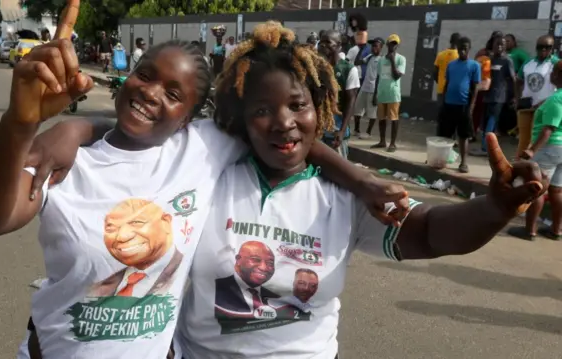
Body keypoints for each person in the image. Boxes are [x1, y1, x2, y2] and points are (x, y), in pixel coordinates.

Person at [0, 13, 411, 359]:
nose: (152, 93)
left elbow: (289, 136)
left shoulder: (202, 148)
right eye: (145, 74)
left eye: (175, 94)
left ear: (192, 116)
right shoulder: (72, 161)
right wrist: (23, 125)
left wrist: (361, 179)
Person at [172, 22, 547, 359]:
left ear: (318, 108)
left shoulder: (346, 194)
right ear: (242, 119)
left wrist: (494, 208)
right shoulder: (211, 177)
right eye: (262, 110)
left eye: (297, 105)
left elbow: (431, 232)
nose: (283, 122)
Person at [509, 61, 562, 241]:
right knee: (557, 190)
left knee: (537, 188)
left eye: (554, 72)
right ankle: (556, 230)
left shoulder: (556, 100)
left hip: (549, 149)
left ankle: (529, 230)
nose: (551, 75)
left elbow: (548, 129)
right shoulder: (556, 97)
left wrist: (532, 150)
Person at [439, 36, 480, 173]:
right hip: (449, 104)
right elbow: (447, 84)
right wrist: (444, 101)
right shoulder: (451, 65)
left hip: (463, 105)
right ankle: (441, 159)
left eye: (465, 49)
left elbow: (474, 88)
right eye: (460, 48)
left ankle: (463, 162)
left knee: (463, 136)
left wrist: (471, 107)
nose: (462, 51)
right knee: (446, 135)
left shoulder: (474, 66)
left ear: (469, 49)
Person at [471, 34, 516, 157]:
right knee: (485, 123)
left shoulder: (507, 61)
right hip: (487, 95)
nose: (499, 47)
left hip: (498, 97)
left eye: (502, 45)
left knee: (491, 122)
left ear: (505, 47)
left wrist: (514, 96)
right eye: (497, 44)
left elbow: (513, 79)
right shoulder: (489, 59)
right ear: (493, 45)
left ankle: (485, 149)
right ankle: (488, 148)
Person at [318, 29, 360, 158]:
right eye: (321, 42)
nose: (323, 45)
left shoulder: (348, 69)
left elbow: (351, 101)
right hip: (318, 130)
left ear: (338, 46)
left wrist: (342, 130)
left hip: (336, 130)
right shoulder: (317, 68)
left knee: (338, 169)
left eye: (328, 42)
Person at [515, 35, 559, 158]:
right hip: (526, 107)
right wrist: (517, 98)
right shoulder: (528, 62)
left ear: (552, 48)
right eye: (540, 47)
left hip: (544, 109)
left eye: (547, 47)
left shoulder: (556, 63)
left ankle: (533, 169)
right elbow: (518, 80)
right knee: (523, 140)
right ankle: (518, 168)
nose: (543, 50)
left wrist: (546, 102)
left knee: (537, 141)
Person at [372, 34, 406, 153]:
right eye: (391, 43)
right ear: (387, 44)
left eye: (395, 44)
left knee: (393, 118)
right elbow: (378, 77)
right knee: (381, 119)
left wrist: (392, 61)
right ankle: (382, 141)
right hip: (382, 93)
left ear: (397, 45)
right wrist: (375, 93)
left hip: (393, 94)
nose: (393, 46)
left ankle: (392, 143)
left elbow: (397, 76)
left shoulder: (401, 59)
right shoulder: (381, 60)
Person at [354, 37, 383, 139]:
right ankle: (356, 130)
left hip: (373, 89)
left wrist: (376, 94)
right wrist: (361, 50)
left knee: (372, 113)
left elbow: (379, 77)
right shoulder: (370, 56)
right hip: (364, 87)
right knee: (357, 109)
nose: (373, 48)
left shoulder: (381, 60)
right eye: (372, 46)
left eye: (376, 46)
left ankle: (368, 132)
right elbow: (357, 62)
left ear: (381, 47)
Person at [434, 32, 461, 104]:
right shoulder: (459, 56)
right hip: (453, 90)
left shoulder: (440, 55)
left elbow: (435, 72)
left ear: (450, 41)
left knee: (441, 112)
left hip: (441, 89)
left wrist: (439, 82)